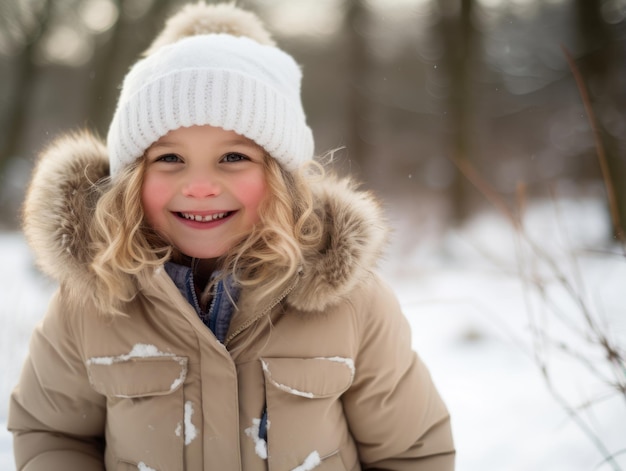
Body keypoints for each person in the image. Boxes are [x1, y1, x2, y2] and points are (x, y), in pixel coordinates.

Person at [8, 2, 455, 470]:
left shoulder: (350, 305)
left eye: (234, 157)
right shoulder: (91, 302)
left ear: (282, 179)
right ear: (130, 181)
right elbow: (52, 433)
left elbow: (413, 449)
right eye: (169, 159)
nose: (200, 185)